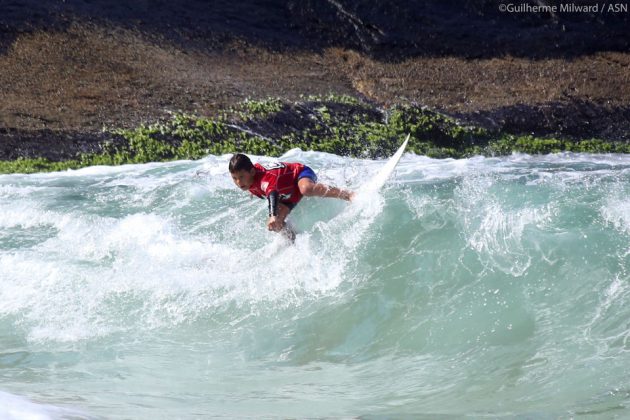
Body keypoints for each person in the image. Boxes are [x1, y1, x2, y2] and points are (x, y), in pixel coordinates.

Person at [229, 153, 354, 237]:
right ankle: (294, 243)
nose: (238, 182)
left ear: (252, 172)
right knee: (277, 224)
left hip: (299, 174)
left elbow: (272, 193)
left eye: (241, 177)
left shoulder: (264, 180)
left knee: (306, 189)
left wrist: (272, 215)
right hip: (289, 193)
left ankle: (348, 195)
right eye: (234, 178)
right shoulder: (250, 177)